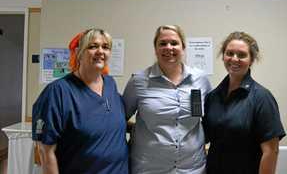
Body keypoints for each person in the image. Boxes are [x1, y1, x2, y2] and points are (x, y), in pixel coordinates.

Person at [32, 28, 129, 174]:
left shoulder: (110, 84)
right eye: (92, 46)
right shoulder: (58, 92)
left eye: (105, 47)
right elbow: (45, 152)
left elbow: (112, 121)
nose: (100, 51)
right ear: (78, 53)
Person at [123, 25, 212, 174]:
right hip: (149, 168)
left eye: (174, 43)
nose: (168, 47)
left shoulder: (200, 80)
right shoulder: (138, 81)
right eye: (162, 43)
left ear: (183, 47)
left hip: (192, 168)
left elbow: (212, 119)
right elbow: (119, 120)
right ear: (155, 48)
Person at [202, 31, 286, 174]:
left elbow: (271, 151)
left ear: (251, 60)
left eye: (241, 55)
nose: (234, 59)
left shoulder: (262, 98)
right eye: (229, 53)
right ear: (223, 56)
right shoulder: (212, 97)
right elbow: (203, 138)